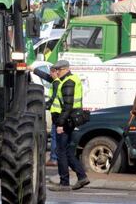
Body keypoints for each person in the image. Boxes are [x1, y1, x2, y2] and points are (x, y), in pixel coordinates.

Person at [47, 60, 89, 191]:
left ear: (64, 69)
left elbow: (67, 106)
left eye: (58, 70)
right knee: (68, 151)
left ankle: (64, 183)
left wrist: (60, 124)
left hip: (66, 121)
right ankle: (82, 177)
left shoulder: (68, 82)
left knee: (61, 152)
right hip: (69, 120)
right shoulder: (69, 80)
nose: (56, 73)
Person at [29, 63, 60, 166]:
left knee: (55, 136)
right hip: (59, 113)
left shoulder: (56, 83)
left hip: (58, 113)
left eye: (51, 72)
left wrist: (44, 105)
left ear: (56, 72)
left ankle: (54, 158)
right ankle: (56, 158)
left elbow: (53, 99)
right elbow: (46, 77)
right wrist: (33, 69)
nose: (50, 75)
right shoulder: (58, 80)